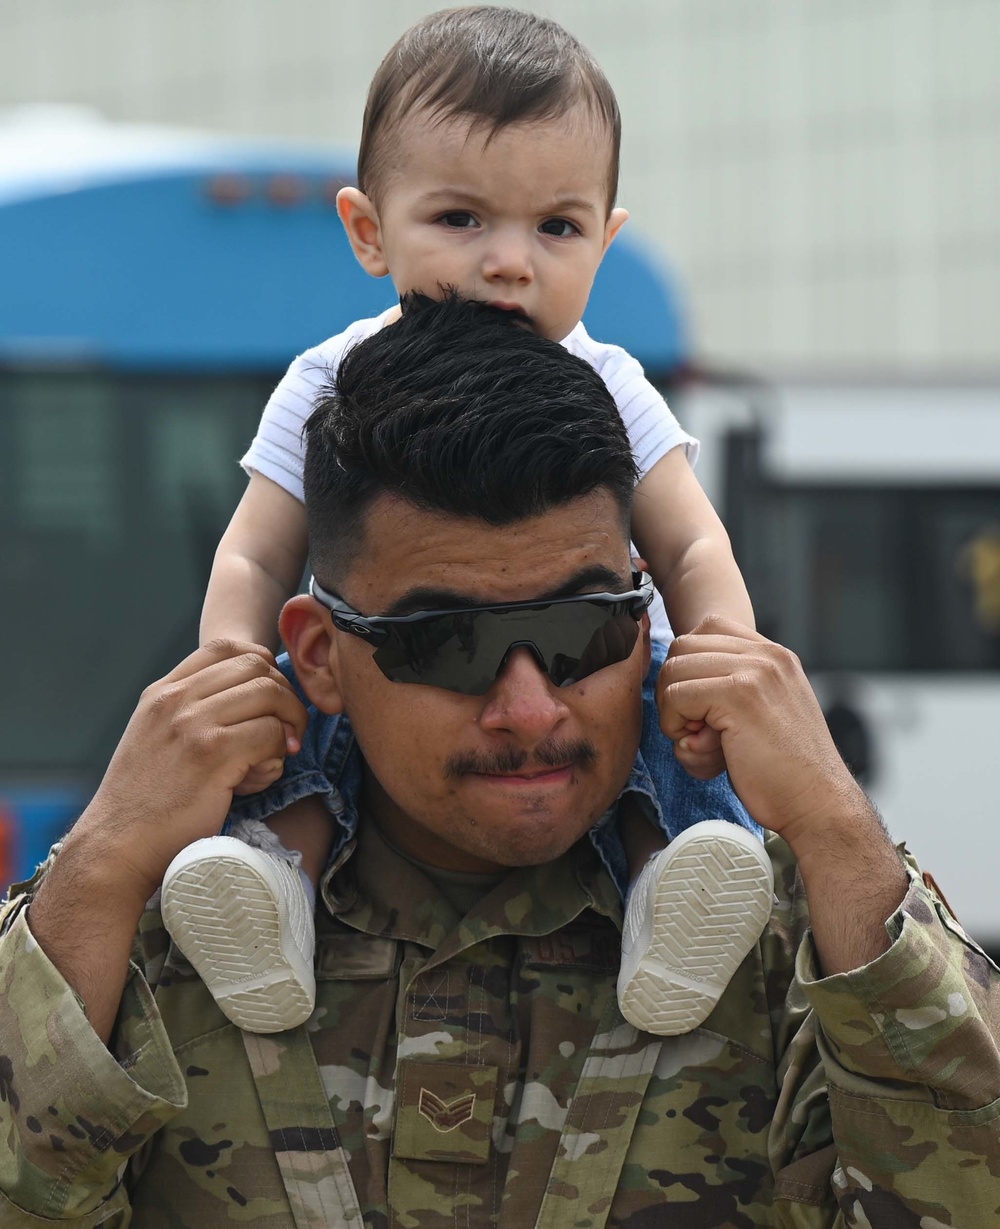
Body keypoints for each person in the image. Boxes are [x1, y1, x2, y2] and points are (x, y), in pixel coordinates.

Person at [2, 296, 997, 1227]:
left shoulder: (781, 938)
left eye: (581, 631)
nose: (528, 707)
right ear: (319, 655)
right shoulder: (169, 938)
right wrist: (99, 864)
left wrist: (831, 817)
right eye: (448, 641)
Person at [171, 3, 774, 1041]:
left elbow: (688, 542)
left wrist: (720, 643)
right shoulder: (328, 381)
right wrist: (227, 655)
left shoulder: (609, 382)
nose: (509, 262)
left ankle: (670, 887)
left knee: (662, 728)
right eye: (460, 220)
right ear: (368, 230)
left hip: (612, 665)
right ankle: (272, 887)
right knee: (299, 719)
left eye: (556, 226)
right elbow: (256, 545)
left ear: (605, 233)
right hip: (378, 666)